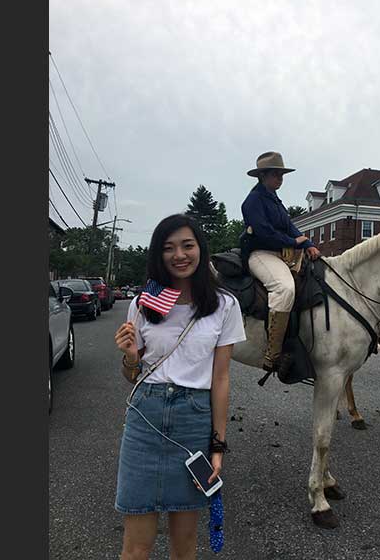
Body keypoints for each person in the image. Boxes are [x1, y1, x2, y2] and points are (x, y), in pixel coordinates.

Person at [113, 214, 246, 560]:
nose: (179, 255)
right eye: (169, 248)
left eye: (188, 245)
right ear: (159, 255)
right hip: (145, 418)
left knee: (184, 545)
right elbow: (133, 375)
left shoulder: (224, 305)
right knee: (136, 546)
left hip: (192, 423)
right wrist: (130, 357)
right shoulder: (144, 302)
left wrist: (218, 444)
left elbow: (220, 379)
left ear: (200, 249)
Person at [240, 151, 320, 374]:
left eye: (282, 174)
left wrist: (308, 244)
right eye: (277, 174)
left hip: (282, 253)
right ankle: (272, 353)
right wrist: (293, 241)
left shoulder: (275, 199)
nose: (280, 178)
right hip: (261, 253)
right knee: (284, 289)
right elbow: (265, 232)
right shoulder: (253, 201)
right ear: (263, 176)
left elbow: (289, 226)